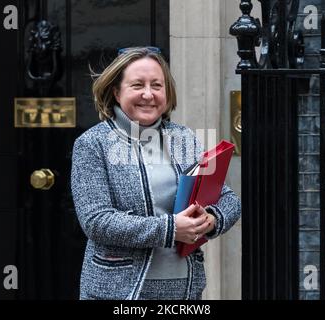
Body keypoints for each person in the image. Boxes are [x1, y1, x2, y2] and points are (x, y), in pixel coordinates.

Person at [71, 47, 241, 300]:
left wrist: (211, 220)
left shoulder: (183, 138)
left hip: (184, 290)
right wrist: (170, 229)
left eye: (157, 85)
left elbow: (228, 199)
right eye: (137, 85)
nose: (148, 94)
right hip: (119, 292)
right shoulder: (93, 143)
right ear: (117, 92)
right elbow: (97, 221)